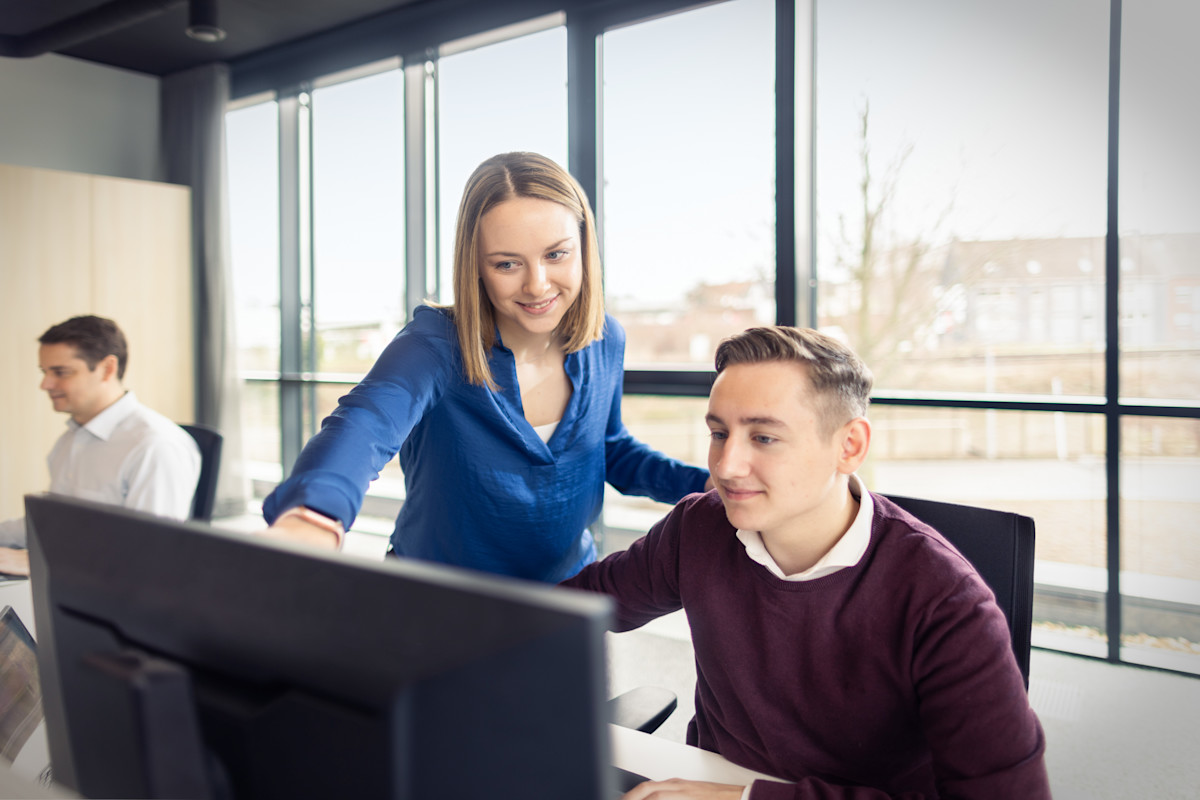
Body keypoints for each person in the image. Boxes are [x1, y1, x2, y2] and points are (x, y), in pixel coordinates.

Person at [563, 326, 1051, 800]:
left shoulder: (946, 602)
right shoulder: (699, 527)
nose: (726, 466)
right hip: (710, 780)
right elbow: (573, 607)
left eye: (764, 438)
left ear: (849, 446)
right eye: (718, 432)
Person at [263, 152, 710, 582]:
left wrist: (707, 486)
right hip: (439, 601)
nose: (537, 285)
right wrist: (314, 513)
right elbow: (363, 424)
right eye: (507, 264)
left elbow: (608, 449)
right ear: (475, 266)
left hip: (563, 595)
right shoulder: (435, 344)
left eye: (556, 254)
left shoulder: (606, 339)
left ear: (584, 247)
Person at [0, 315, 202, 576]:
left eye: (60, 372)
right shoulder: (71, 439)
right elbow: (54, 527)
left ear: (107, 368)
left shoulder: (154, 445)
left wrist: (33, 562)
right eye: (45, 372)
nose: (45, 384)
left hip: (118, 599)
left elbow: (150, 554)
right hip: (64, 582)